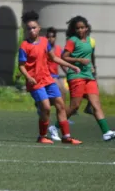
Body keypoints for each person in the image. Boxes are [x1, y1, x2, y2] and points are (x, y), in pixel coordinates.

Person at [18, 11, 82, 144]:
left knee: (60, 105)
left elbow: (54, 58)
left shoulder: (44, 41)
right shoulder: (24, 46)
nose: (32, 30)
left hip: (48, 79)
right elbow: (21, 66)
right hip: (35, 82)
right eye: (29, 28)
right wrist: (28, 77)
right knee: (46, 108)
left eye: (34, 27)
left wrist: (72, 66)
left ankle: (66, 137)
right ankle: (42, 136)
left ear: (39, 28)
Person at [48, 16, 115, 141]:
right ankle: (55, 127)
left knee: (96, 104)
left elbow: (91, 56)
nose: (80, 30)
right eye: (77, 28)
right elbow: (64, 57)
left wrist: (93, 67)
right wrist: (79, 60)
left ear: (87, 28)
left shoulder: (91, 41)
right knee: (74, 107)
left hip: (88, 76)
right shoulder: (72, 41)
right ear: (74, 29)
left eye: (82, 27)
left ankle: (106, 132)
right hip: (76, 75)